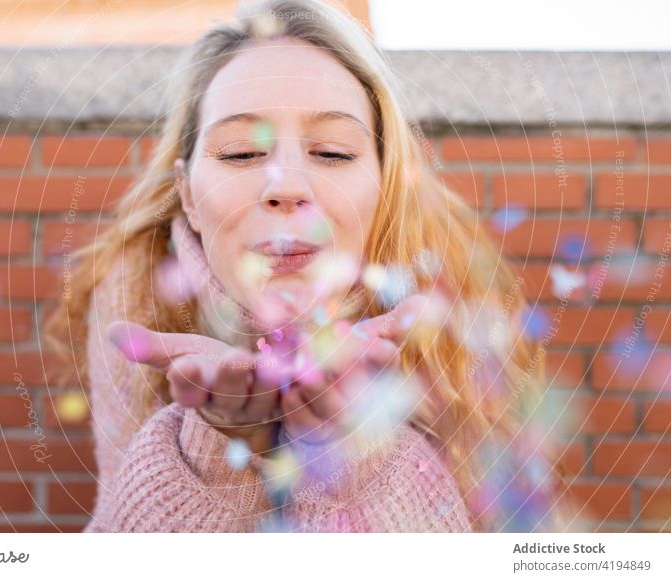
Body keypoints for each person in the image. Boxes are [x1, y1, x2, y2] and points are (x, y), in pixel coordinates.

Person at [46, 0, 569, 533]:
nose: (288, 185)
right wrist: (215, 449)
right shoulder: (139, 293)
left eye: (334, 153)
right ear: (187, 195)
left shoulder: (447, 300)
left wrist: (357, 458)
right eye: (241, 154)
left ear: (385, 183)